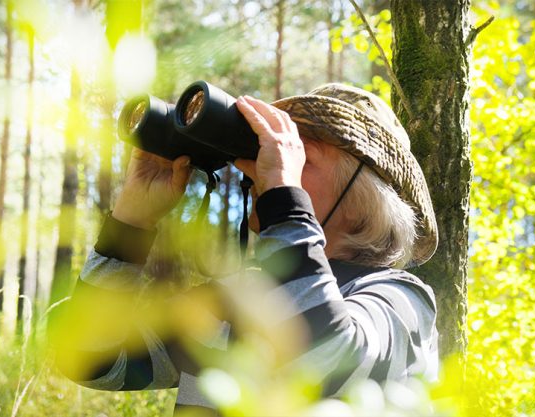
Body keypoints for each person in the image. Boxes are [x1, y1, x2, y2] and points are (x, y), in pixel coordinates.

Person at [52, 84, 439, 415]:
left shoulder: (403, 300)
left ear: (360, 192)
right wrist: (130, 225)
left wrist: (284, 197)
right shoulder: (236, 302)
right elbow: (92, 360)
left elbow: (323, 359)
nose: (261, 167)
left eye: (298, 155)